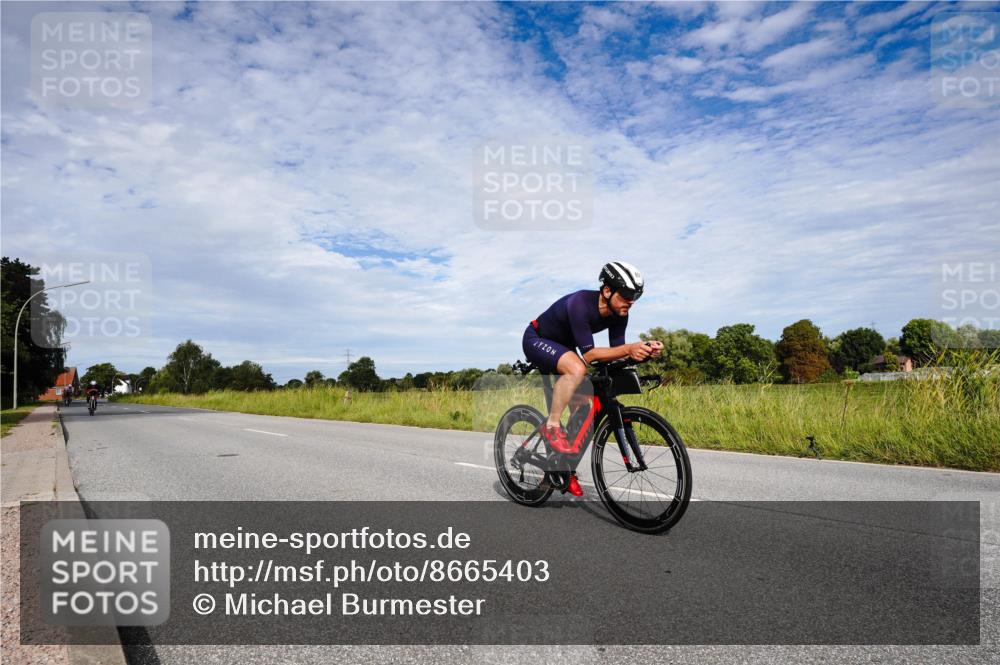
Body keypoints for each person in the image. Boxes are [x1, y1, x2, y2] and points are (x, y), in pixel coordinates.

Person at [522, 261, 663, 496]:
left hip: (564, 346)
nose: (632, 300)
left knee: (583, 408)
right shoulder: (580, 303)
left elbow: (615, 354)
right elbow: (589, 355)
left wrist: (642, 354)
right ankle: (552, 425)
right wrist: (630, 348)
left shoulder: (620, 314)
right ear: (607, 291)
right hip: (537, 339)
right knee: (577, 370)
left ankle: (559, 469)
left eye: (637, 295)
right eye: (628, 294)